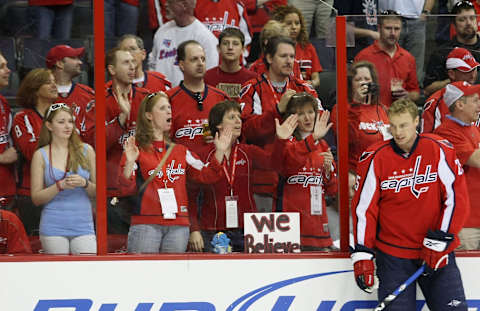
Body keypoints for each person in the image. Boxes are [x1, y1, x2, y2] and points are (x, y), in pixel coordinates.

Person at [351, 98, 469, 310]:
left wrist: (441, 238)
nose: (398, 132)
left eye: (403, 125)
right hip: (394, 257)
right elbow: (364, 209)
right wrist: (363, 255)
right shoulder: (375, 157)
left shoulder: (438, 149)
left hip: (438, 253)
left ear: (416, 122)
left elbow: (457, 197)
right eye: (393, 126)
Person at [119, 92, 230, 253]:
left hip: (178, 225)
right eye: (163, 108)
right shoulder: (136, 149)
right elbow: (124, 187)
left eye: (169, 108)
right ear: (149, 115)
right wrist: (129, 162)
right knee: (143, 276)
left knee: (174, 277)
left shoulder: (180, 151)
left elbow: (207, 175)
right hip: (146, 224)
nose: (169, 112)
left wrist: (219, 152)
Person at [188, 100, 296, 252]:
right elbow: (191, 196)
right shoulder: (202, 155)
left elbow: (274, 164)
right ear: (218, 124)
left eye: (239, 117)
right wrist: (194, 229)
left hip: (248, 228)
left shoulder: (247, 151)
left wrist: (281, 140)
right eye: (232, 117)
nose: (238, 121)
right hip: (213, 229)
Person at [239, 36, 318, 212]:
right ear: (269, 58)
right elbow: (248, 131)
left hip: (301, 178)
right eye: (283, 56)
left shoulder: (305, 88)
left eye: (292, 56)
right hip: (265, 180)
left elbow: (318, 126)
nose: (289, 60)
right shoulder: (252, 88)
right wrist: (277, 110)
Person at [30, 103, 96, 255]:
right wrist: (58, 186)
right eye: (61, 122)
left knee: (87, 271)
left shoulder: (87, 150)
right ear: (49, 126)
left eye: (70, 121)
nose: (67, 126)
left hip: (83, 226)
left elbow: (99, 192)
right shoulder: (41, 155)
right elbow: (36, 198)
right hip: (53, 226)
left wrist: (85, 183)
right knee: (58, 276)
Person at [278, 93, 337, 251]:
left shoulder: (323, 144)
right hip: (292, 221)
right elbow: (290, 164)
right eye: (301, 113)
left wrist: (328, 169)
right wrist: (313, 139)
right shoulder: (287, 141)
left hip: (317, 221)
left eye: (310, 112)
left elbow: (332, 188)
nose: (307, 118)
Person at [101, 48, 149, 234]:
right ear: (112, 70)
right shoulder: (99, 100)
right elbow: (96, 144)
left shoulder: (145, 98)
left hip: (144, 188)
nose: (132, 66)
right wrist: (122, 118)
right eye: (126, 62)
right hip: (113, 188)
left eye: (133, 62)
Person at [434, 81, 480, 250]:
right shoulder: (446, 132)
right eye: (475, 100)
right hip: (466, 223)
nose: (479, 105)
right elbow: (477, 159)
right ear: (460, 104)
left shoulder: (472, 129)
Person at [13, 68, 58, 236]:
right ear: (35, 89)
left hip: (61, 192)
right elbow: (33, 153)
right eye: (48, 82)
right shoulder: (23, 118)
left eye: (54, 81)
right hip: (31, 192)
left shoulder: (63, 115)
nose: (54, 85)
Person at [166, 40, 230, 158]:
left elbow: (236, 136)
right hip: (181, 169)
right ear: (181, 64)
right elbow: (161, 141)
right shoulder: (168, 99)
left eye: (203, 59)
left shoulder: (221, 97)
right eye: (194, 59)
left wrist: (220, 135)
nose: (200, 63)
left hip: (217, 167)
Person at [330, 61, 390, 181]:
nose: (363, 83)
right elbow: (347, 139)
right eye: (358, 79)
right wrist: (356, 103)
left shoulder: (382, 109)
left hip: (380, 172)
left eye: (367, 79)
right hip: (353, 174)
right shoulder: (341, 109)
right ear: (351, 84)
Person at [354, 10, 420, 107]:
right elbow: (352, 90)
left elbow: (415, 93)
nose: (393, 33)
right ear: (379, 28)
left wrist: (407, 95)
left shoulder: (408, 58)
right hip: (371, 115)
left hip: (398, 114)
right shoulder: (364, 56)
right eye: (388, 28)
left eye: (397, 29)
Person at [148, 0, 219, 87]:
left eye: (170, 2)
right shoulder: (162, 31)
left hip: (187, 96)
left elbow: (210, 74)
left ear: (184, 5)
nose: (166, 4)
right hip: (160, 96)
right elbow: (152, 63)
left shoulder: (205, 37)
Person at [424, 1, 480, 96]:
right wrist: (455, 80)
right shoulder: (442, 52)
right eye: (462, 19)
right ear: (453, 24)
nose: (468, 23)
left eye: (472, 18)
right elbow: (427, 89)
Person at [45, 45, 95, 143]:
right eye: (74, 58)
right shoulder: (44, 95)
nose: (80, 62)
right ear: (60, 64)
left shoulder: (88, 93)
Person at [422, 47, 479, 133]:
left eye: (474, 70)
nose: (472, 76)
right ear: (451, 74)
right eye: (467, 71)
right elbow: (428, 140)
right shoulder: (434, 103)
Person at [378, 0, 435, 85]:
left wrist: (426, 11)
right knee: (386, 65)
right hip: (389, 18)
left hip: (416, 19)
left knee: (415, 72)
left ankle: (413, 96)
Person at [272, 5, 323, 88]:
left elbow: (316, 79)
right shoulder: (274, 48)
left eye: (297, 23)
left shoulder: (308, 47)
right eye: (289, 23)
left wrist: (311, 83)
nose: (294, 27)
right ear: (279, 25)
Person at [204, 28, 258, 98]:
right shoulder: (206, 78)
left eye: (235, 44)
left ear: (243, 49)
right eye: (225, 43)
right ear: (218, 48)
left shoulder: (254, 79)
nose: (230, 47)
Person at [0, 51, 17, 211]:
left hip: (6, 190)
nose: (8, 70)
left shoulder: (3, 103)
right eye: (2, 67)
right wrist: (2, 157)